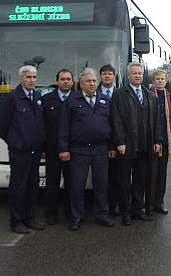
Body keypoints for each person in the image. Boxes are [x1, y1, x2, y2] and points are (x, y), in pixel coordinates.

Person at [59, 67, 116, 231]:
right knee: (77, 185)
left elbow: (111, 125)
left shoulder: (105, 100)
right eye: (88, 81)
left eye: (93, 81)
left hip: (101, 150)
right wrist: (63, 149)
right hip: (79, 150)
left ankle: (102, 215)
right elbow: (64, 127)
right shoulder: (72, 101)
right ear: (81, 84)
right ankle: (76, 217)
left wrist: (111, 146)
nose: (92, 84)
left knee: (101, 184)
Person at [111, 62, 161, 225]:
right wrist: (119, 141)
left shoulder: (150, 95)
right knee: (124, 181)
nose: (138, 76)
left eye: (140, 73)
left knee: (140, 180)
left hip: (145, 146)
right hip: (126, 146)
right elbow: (116, 119)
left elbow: (156, 122)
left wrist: (157, 141)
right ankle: (126, 213)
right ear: (128, 76)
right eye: (134, 73)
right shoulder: (119, 94)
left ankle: (138, 211)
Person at [0, 65, 46, 234]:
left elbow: (40, 123)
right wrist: (14, 142)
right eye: (28, 77)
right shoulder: (12, 97)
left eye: (34, 77)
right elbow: (2, 125)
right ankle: (16, 221)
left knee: (33, 186)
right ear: (21, 79)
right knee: (18, 187)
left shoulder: (38, 97)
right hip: (20, 151)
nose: (32, 80)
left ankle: (30, 218)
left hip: (35, 151)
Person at [42, 69, 73, 225]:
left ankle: (69, 212)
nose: (65, 81)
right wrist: (42, 148)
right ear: (57, 81)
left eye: (68, 79)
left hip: (73, 150)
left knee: (71, 183)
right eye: (62, 79)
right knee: (52, 183)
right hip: (52, 149)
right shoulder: (46, 100)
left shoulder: (77, 99)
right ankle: (50, 214)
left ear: (73, 82)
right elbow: (41, 126)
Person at [146, 69, 171, 215]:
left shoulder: (170, 98)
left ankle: (160, 202)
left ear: (166, 81)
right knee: (151, 174)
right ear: (153, 80)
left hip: (165, 140)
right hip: (151, 142)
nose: (159, 81)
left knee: (162, 174)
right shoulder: (147, 95)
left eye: (162, 79)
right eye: (157, 78)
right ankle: (149, 204)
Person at [99, 64, 119, 216]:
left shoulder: (120, 94)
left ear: (114, 76)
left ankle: (115, 205)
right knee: (101, 178)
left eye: (110, 74)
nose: (107, 76)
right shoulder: (94, 93)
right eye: (104, 73)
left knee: (116, 176)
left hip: (118, 142)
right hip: (100, 143)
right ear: (100, 76)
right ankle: (102, 207)